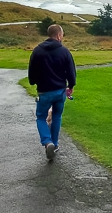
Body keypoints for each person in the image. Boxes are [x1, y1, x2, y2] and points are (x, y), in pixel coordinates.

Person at [28, 24, 76, 160]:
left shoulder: (37, 51)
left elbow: (32, 72)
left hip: (44, 91)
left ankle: (47, 141)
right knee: (57, 117)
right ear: (59, 35)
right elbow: (71, 72)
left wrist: (34, 82)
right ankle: (54, 144)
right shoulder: (65, 51)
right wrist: (71, 85)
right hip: (60, 91)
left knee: (41, 117)